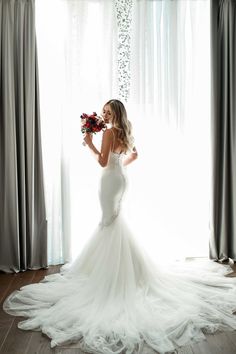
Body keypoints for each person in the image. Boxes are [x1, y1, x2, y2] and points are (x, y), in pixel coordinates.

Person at [3, 99, 236, 354]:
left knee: (108, 223)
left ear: (115, 114)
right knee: (113, 223)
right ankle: (122, 270)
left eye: (107, 112)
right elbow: (133, 155)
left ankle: (111, 275)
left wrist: (89, 144)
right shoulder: (127, 130)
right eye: (102, 111)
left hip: (109, 181)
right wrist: (118, 166)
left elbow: (103, 162)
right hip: (122, 180)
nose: (103, 114)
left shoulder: (109, 132)